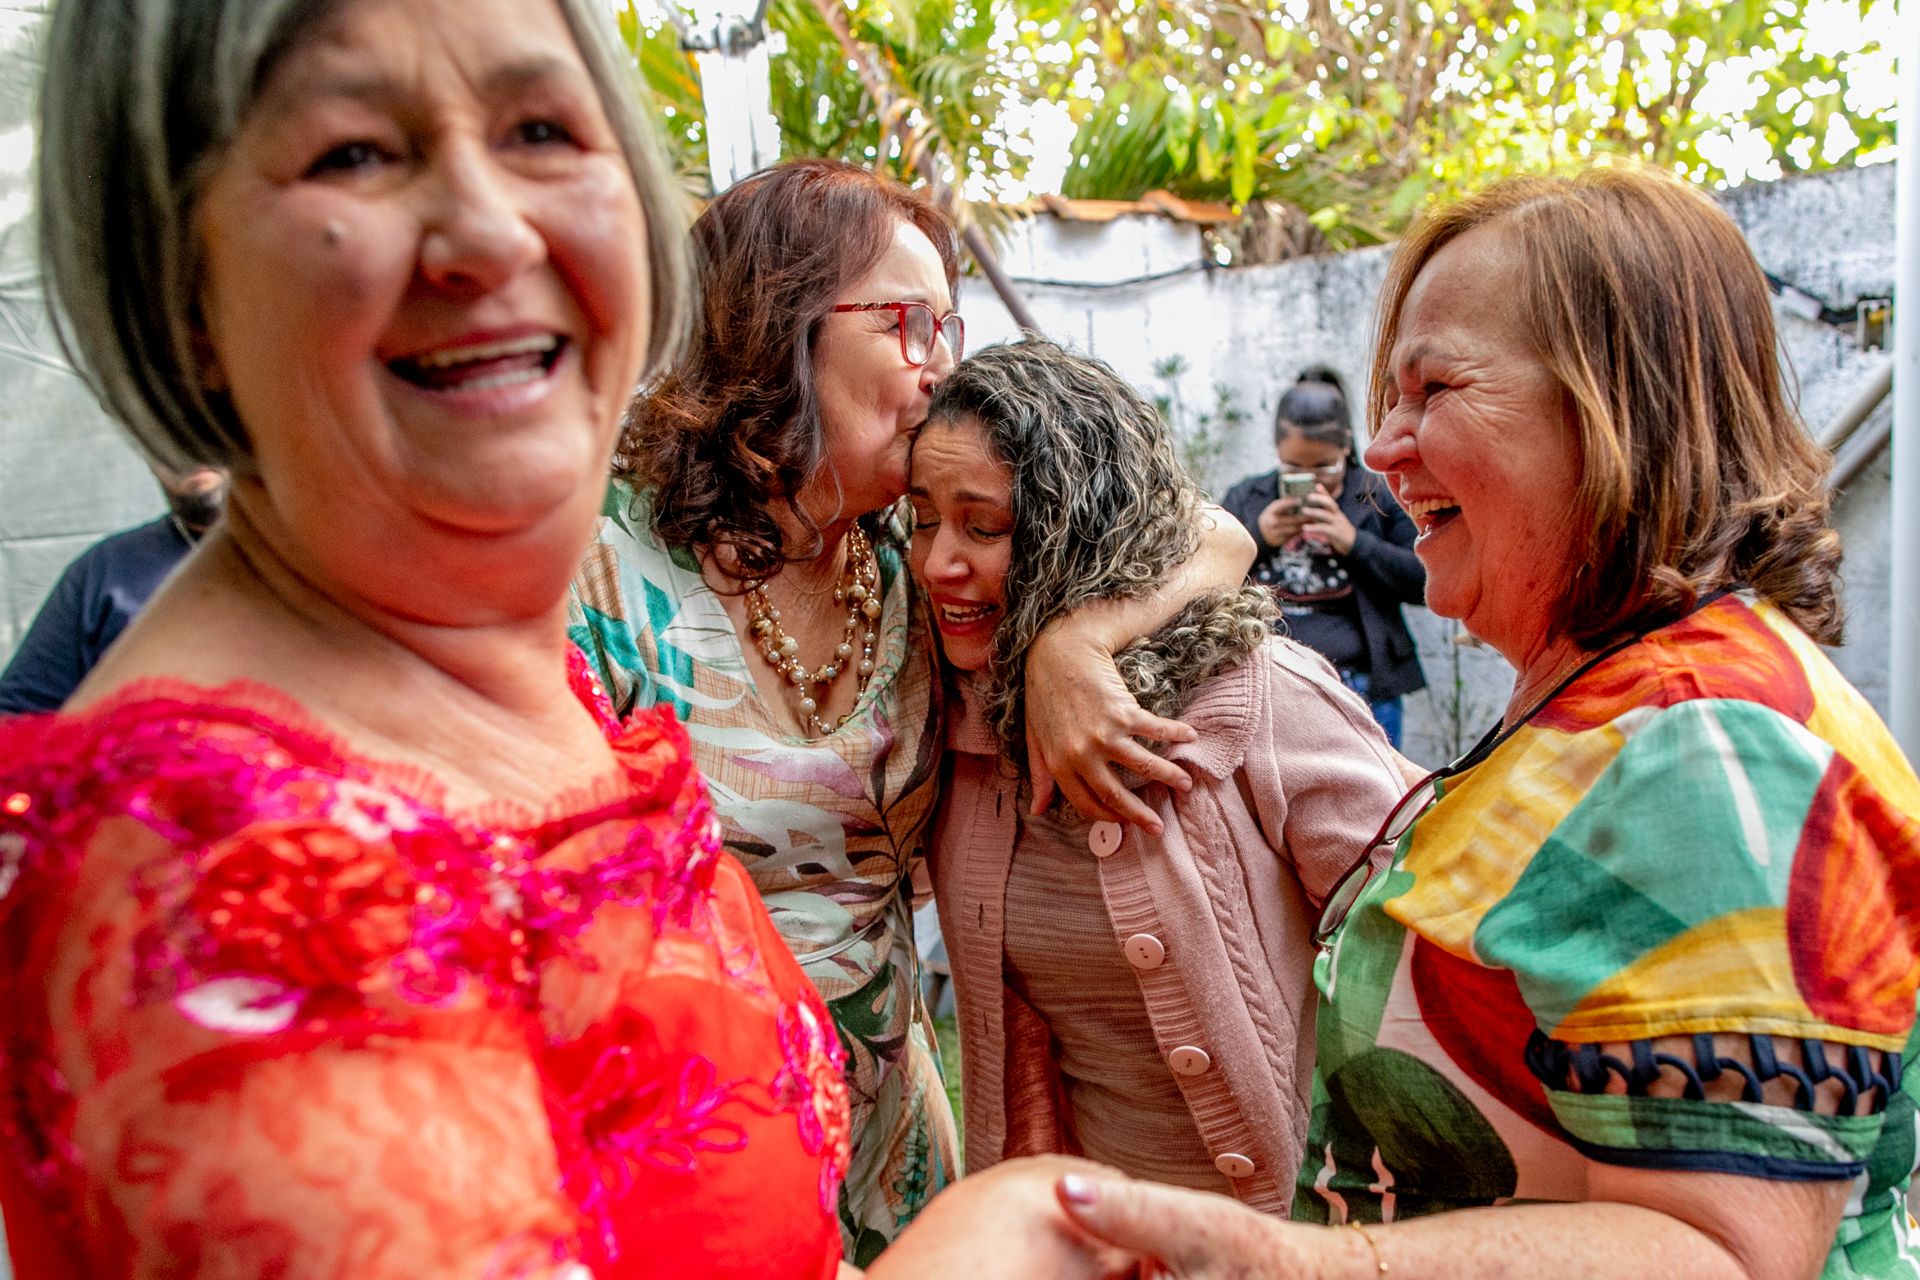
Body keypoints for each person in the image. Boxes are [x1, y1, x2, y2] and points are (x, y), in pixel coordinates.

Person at [0, 0, 858, 1274]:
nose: (489, 229)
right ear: (181, 285)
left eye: (541, 129)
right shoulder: (221, 877)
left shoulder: (495, 669)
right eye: (353, 151)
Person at [1044, 168, 1920, 1278]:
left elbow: (1724, 1251)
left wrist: (1291, 1261)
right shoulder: (1600, 701)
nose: (1383, 447)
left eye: (1434, 389)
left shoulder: (1705, 737)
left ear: (1615, 407)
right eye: (1388, 399)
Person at [568, 158, 1254, 1260]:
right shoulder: (603, 566)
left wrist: (1078, 641)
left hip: (898, 1129)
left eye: (949, 327)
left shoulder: (912, 558)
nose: (941, 368)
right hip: (692, 1139)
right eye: (907, 324)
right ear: (774, 325)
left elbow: (1219, 535)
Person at [909, 339, 1407, 1213]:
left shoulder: (1247, 701)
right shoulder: (953, 725)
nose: (937, 563)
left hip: (1277, 1242)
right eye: (922, 521)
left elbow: (1430, 962)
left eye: (984, 526)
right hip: (1081, 1240)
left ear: (1077, 528)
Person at [1221, 369, 1425, 747]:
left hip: (1362, 688)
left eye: (1324, 468)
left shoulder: (1378, 496)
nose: (1311, 480)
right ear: (1280, 450)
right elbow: (1205, 574)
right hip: (1267, 688)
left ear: (1346, 446)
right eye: (1294, 469)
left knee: (1379, 801)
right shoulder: (1249, 498)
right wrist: (1258, 538)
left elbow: (1424, 582)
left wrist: (1353, 542)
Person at [0, 465, 226, 715]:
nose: (187, 451)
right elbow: (19, 716)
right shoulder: (105, 569)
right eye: (165, 436)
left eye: (202, 430)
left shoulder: (276, 553)